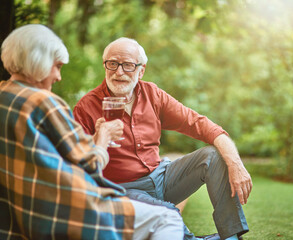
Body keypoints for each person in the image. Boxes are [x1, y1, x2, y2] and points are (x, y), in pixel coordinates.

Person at [0, 24, 185, 240]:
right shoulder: (45, 103)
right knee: (168, 218)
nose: (59, 76)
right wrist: (103, 137)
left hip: (18, 215)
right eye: (57, 66)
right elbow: (89, 166)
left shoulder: (4, 95)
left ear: (140, 70)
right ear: (37, 62)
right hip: (66, 209)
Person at [73, 37, 253, 240]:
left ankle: (230, 236)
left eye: (128, 65)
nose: (119, 72)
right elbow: (78, 166)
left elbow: (199, 124)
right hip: (122, 189)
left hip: (161, 177)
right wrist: (99, 139)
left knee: (213, 155)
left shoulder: (153, 95)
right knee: (168, 213)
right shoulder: (86, 107)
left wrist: (235, 163)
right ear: (105, 66)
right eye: (112, 64)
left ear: (141, 71)